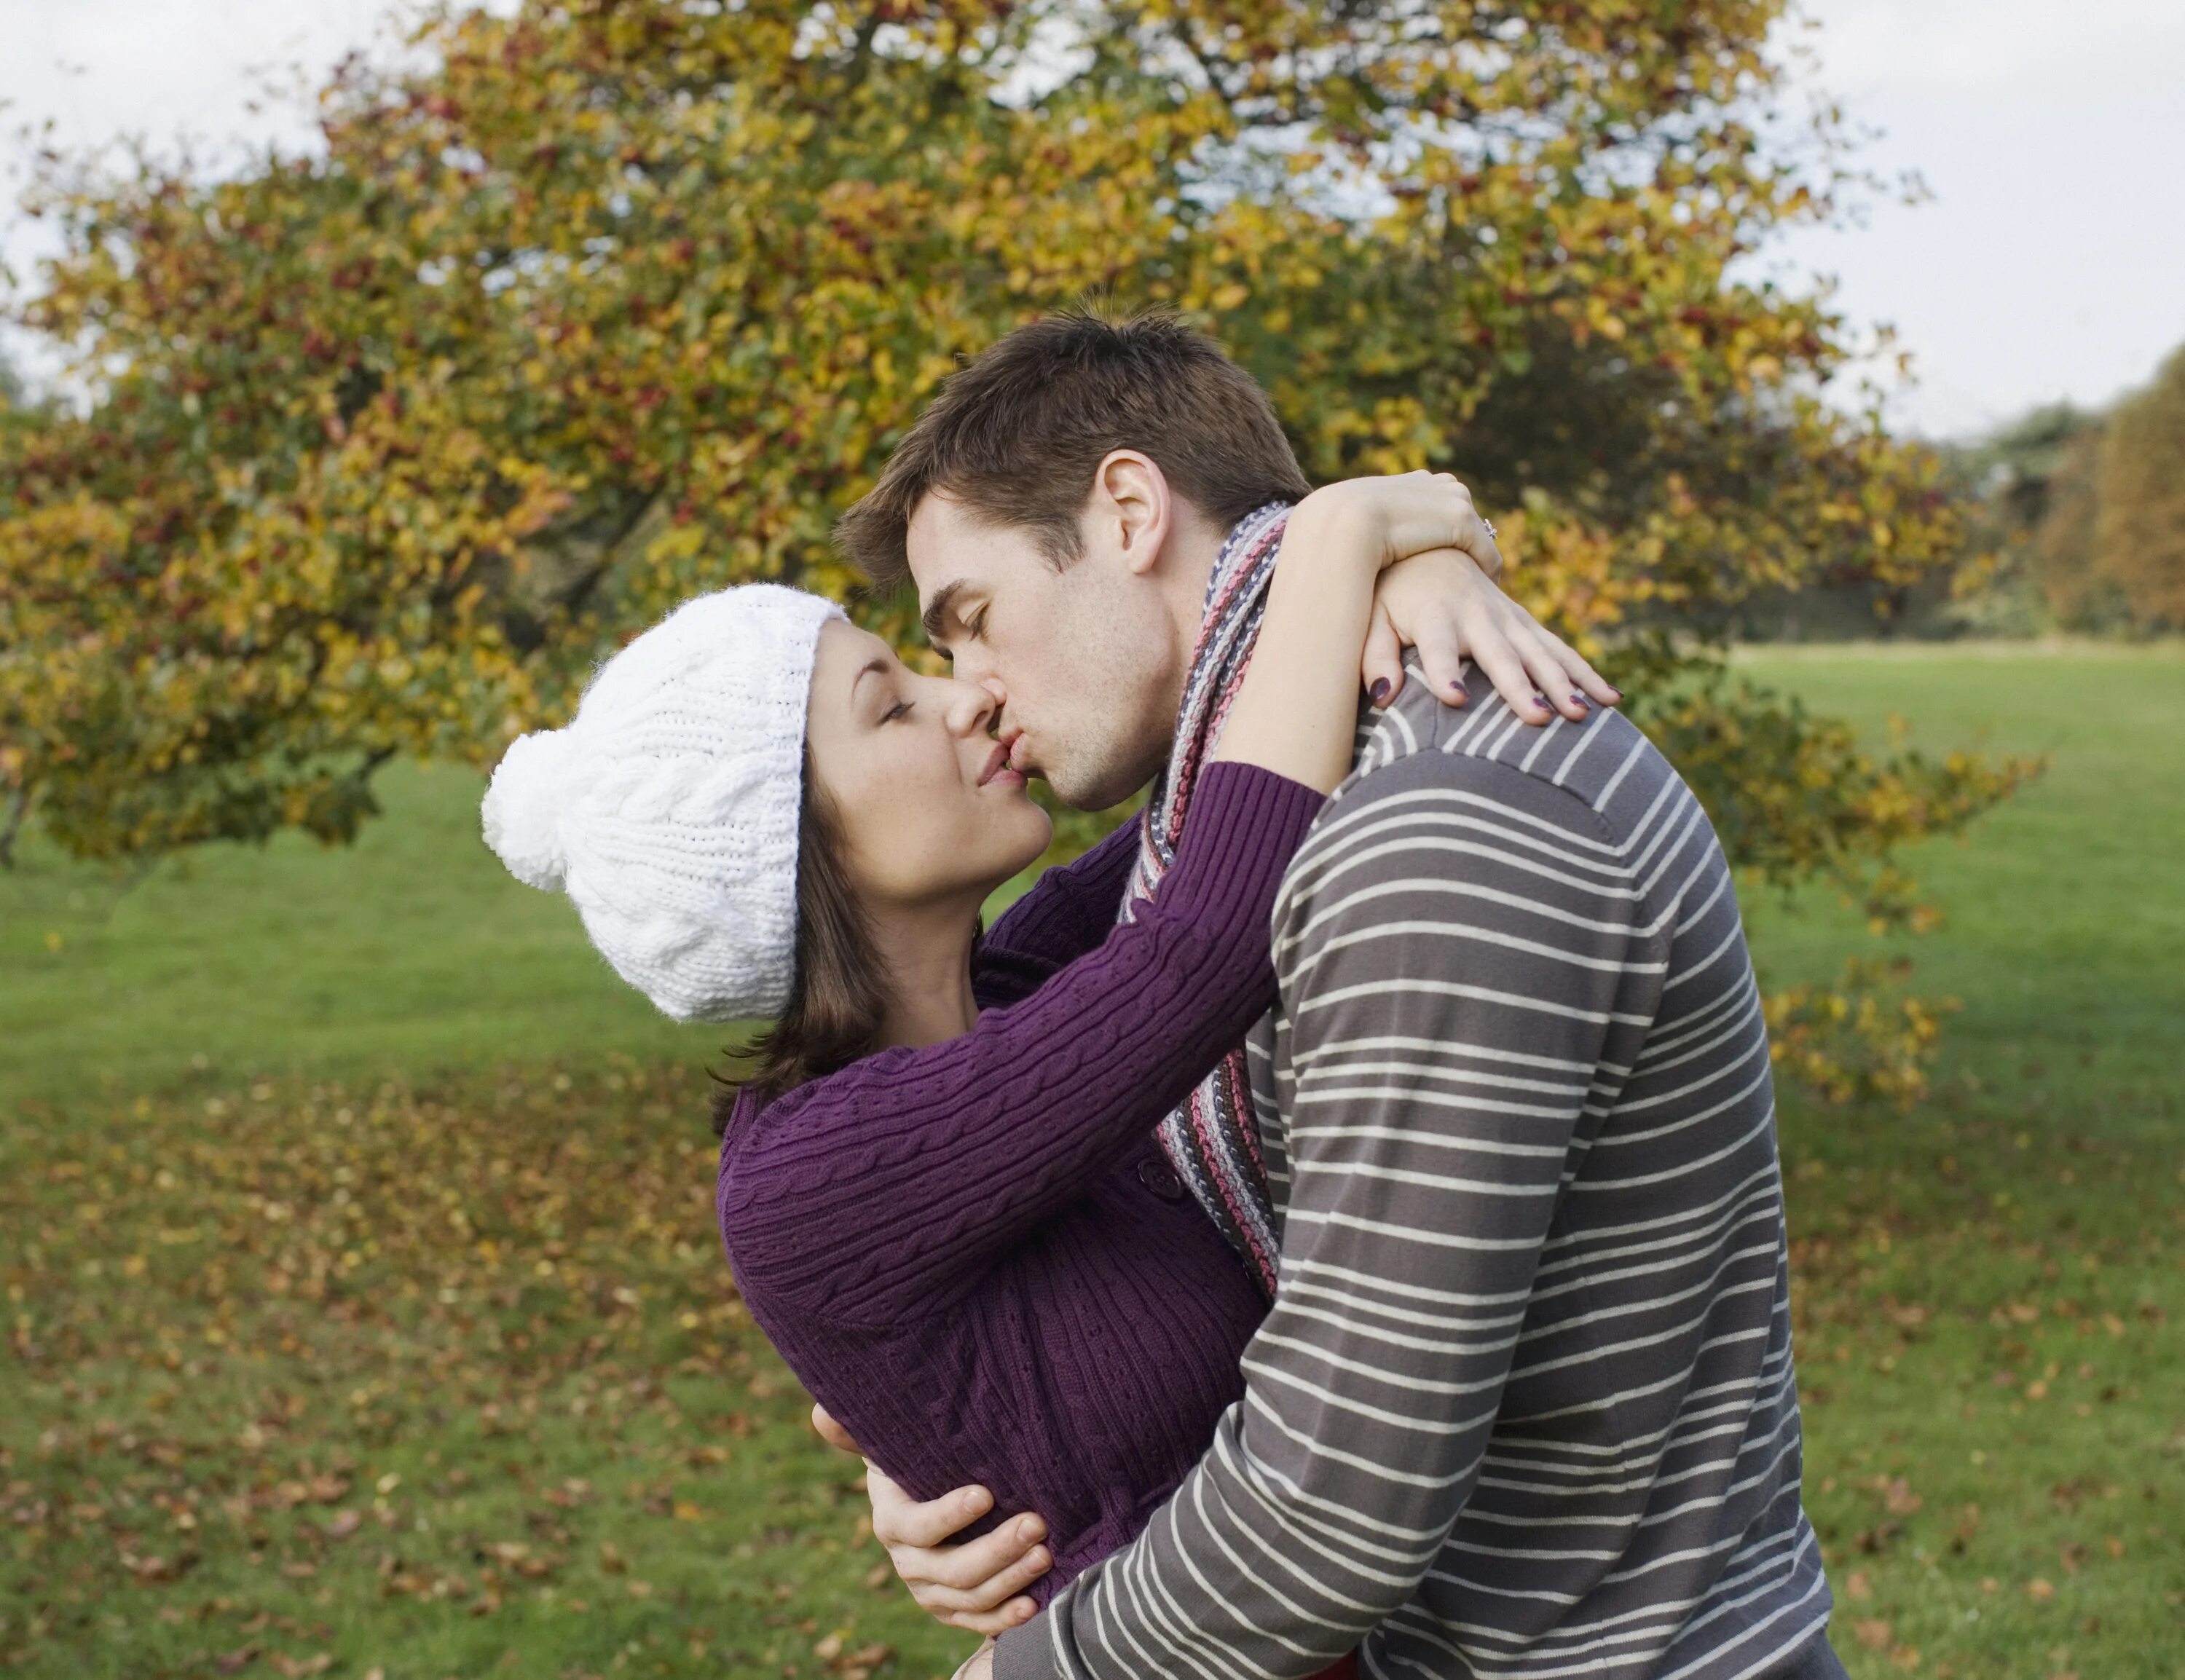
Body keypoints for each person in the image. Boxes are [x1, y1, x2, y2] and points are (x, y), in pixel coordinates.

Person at [832, 309, 1847, 1680]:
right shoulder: (1248, 807)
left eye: (975, 620)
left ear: (1129, 508)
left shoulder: (1429, 832)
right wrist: (959, 1445)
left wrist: (1029, 1674)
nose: (974, 694)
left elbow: (1331, 1509)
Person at [478, 473, 1602, 1680]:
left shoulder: (995, 999)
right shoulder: (815, 1173)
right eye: (893, 708)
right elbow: (1205, 939)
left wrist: (1414, 571)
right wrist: (1340, 542)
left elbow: (1233, 773)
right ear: (794, 855)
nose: (964, 698)